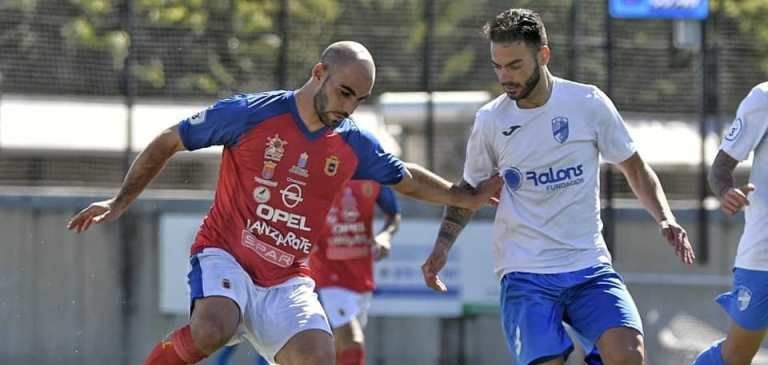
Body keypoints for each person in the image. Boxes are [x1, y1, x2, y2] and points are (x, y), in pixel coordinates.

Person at [66, 40, 501, 365]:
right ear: (319, 73)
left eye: (359, 99)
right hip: (226, 255)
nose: (349, 107)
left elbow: (405, 178)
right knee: (214, 328)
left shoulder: (351, 143)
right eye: (345, 92)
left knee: (319, 355)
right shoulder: (251, 114)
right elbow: (169, 140)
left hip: (288, 277)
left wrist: (460, 195)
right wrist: (121, 200)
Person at [420, 9, 695, 365]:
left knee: (628, 355)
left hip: (588, 265)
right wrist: (442, 247)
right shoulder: (491, 121)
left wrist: (664, 218)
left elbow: (636, 169)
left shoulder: (588, 103)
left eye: (515, 65)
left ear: (544, 55)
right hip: (525, 272)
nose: (505, 77)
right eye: (498, 67)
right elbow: (466, 193)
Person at [693, 82, 768, 365]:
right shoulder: (764, 98)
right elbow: (720, 169)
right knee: (736, 356)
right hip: (762, 257)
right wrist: (727, 194)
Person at [310, 180, 400, 365]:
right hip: (326, 275)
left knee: (337, 348)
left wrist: (385, 236)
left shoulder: (374, 170)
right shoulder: (321, 164)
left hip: (360, 276)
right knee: (353, 339)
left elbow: (393, 214)